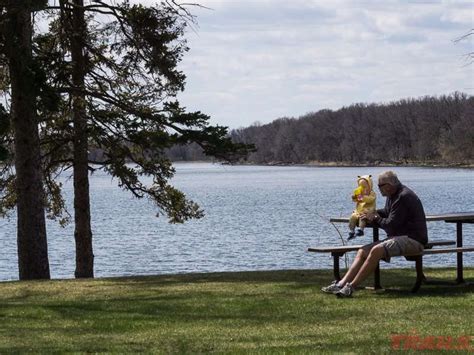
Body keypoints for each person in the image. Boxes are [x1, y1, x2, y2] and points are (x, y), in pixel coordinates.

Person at [322, 170, 428, 297]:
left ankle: (351, 287)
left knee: (377, 250)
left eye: (379, 186)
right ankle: (341, 284)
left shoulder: (403, 197)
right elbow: (387, 212)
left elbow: (390, 225)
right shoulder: (393, 195)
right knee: (362, 251)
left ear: (388, 185)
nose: (378, 189)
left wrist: (375, 218)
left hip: (414, 240)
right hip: (400, 237)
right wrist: (370, 213)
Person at [348, 175, 376, 240]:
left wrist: (362, 197)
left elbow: (370, 199)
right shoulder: (361, 194)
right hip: (358, 211)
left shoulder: (372, 193)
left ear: (370, 186)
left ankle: (361, 230)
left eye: (365, 187)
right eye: (361, 187)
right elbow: (357, 200)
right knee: (352, 217)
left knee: (362, 217)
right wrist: (355, 197)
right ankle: (352, 231)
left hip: (368, 211)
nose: (363, 189)